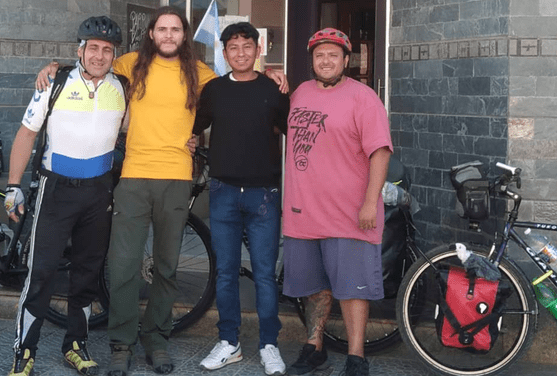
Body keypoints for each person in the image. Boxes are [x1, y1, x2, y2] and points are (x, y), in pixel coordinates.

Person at [35, 9, 287, 376]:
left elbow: (241, 86)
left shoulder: (202, 75)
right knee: (122, 266)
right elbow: (89, 64)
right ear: (152, 33)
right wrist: (53, 66)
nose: (169, 35)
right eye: (162, 29)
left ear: (184, 36)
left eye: (175, 30)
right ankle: (122, 344)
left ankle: (156, 339)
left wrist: (271, 76)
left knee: (166, 267)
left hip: (177, 180)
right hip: (133, 178)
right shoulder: (128, 63)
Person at [4, 16, 127, 376]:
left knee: (88, 273)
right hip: (55, 189)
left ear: (114, 55)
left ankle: (75, 344)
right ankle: (25, 351)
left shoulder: (123, 88)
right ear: (80, 50)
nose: (100, 55)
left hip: (98, 191)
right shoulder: (54, 82)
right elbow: (27, 134)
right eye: (93, 48)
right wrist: (12, 187)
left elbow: (132, 130)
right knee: (41, 273)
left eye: (107, 50)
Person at [282, 28, 393, 376]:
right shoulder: (299, 93)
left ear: (346, 60)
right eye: (319, 55)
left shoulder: (364, 98)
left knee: (351, 288)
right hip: (303, 211)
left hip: (349, 212)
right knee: (313, 286)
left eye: (333, 55)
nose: (326, 61)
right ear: (312, 61)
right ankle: (314, 347)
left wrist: (370, 203)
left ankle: (356, 355)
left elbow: (380, 152)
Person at [192, 22, 289, 376]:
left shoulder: (273, 89)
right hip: (223, 193)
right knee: (226, 272)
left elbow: (294, 127)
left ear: (258, 49)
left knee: (264, 274)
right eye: (233, 47)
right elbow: (196, 127)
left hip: (264, 193)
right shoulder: (214, 89)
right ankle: (228, 341)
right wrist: (190, 142)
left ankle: (269, 345)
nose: (240, 53)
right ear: (224, 52)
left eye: (247, 46)